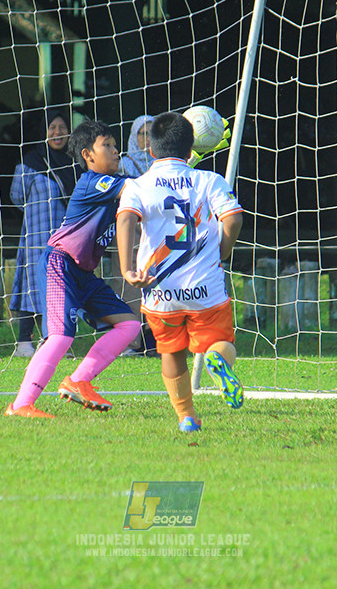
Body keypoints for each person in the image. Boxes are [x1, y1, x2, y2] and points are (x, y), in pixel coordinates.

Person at [116, 111, 244, 432]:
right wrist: (222, 249)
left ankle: (186, 416)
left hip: (160, 289)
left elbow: (125, 220)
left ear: (151, 150)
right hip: (205, 285)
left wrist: (128, 270)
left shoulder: (138, 185)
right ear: (191, 150)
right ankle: (218, 361)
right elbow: (233, 217)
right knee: (221, 342)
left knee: (171, 351)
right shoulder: (210, 180)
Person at [5, 119, 142, 418]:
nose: (116, 151)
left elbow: (141, 201)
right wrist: (171, 172)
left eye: (115, 145)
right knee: (62, 336)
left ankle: (79, 380)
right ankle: (20, 405)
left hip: (83, 274)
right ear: (87, 155)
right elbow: (137, 188)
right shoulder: (95, 182)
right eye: (107, 145)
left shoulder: (118, 189)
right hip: (59, 265)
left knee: (129, 325)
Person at [8, 110, 79, 357]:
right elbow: (17, 196)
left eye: (62, 127)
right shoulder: (31, 161)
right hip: (36, 236)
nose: (57, 133)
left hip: (66, 237)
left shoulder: (75, 163)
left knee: (61, 286)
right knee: (31, 283)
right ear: (43, 132)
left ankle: (56, 341)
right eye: (52, 128)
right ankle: (24, 342)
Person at [115, 114, 158, 356]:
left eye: (152, 133)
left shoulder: (162, 163)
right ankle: (132, 343)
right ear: (134, 136)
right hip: (132, 235)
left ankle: (155, 341)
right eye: (143, 133)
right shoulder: (124, 164)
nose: (148, 139)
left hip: (155, 236)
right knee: (129, 290)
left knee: (156, 287)